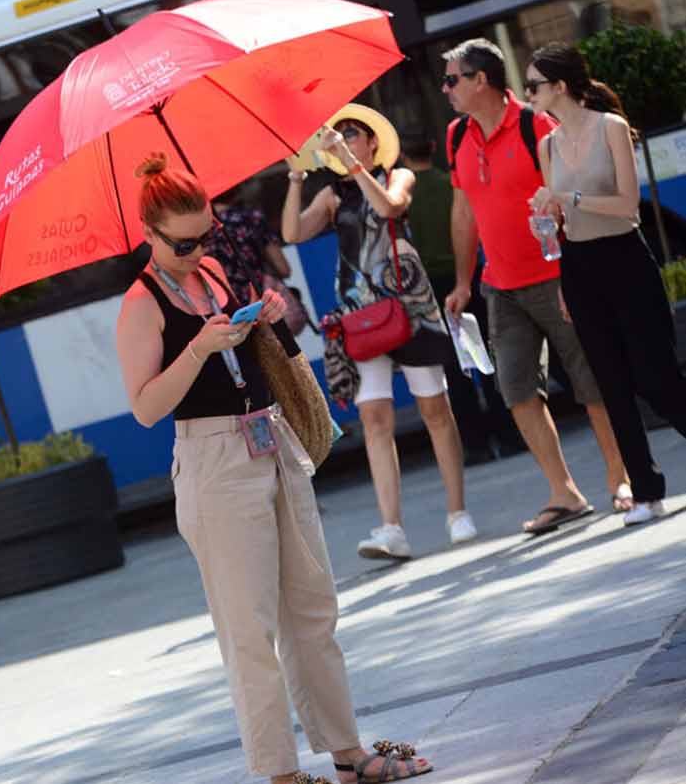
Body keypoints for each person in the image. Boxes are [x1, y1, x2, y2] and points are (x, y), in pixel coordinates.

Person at [115, 154, 433, 784]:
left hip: (271, 439)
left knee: (314, 608)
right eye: (183, 242)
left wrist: (262, 318)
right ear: (147, 236)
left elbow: (256, 351)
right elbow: (147, 408)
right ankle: (281, 774)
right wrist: (200, 348)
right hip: (212, 461)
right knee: (250, 631)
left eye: (207, 234)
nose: (199, 248)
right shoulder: (140, 304)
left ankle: (346, 754)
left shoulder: (210, 271)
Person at [441, 37, 627, 534]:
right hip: (498, 285)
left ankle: (619, 477)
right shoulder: (457, 135)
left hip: (556, 277)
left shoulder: (534, 124)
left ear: (482, 80)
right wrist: (463, 282)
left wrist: (576, 271)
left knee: (591, 381)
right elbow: (464, 211)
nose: (446, 90)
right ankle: (563, 493)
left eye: (453, 79)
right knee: (517, 389)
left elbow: (567, 199)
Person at [282, 105, 475, 560]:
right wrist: (294, 177)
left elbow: (390, 207)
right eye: (341, 134)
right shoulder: (332, 193)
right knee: (374, 417)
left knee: (434, 408)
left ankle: (457, 512)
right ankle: (391, 527)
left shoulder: (397, 176)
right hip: (358, 310)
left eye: (354, 134)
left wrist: (352, 167)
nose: (346, 139)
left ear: (373, 143)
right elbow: (292, 232)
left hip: (408, 301)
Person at [526, 42, 686, 527]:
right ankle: (645, 491)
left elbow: (626, 207)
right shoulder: (547, 144)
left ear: (559, 86)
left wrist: (567, 196)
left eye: (533, 86)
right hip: (579, 266)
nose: (527, 93)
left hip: (625, 259)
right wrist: (546, 223)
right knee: (612, 385)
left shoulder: (610, 128)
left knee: (656, 380)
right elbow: (561, 216)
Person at [399, 137, 518, 467]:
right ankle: (510, 435)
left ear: (403, 154)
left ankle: (476, 446)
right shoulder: (451, 185)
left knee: (454, 367)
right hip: (468, 275)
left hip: (430, 289)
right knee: (488, 356)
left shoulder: (401, 194)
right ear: (434, 147)